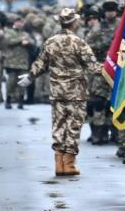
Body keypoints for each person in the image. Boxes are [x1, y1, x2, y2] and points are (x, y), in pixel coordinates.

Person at [21, 9, 98, 176]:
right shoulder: (79, 42)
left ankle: (58, 162)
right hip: (76, 92)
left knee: (58, 125)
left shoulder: (50, 42)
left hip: (57, 91)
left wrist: (30, 76)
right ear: (74, 23)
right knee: (74, 126)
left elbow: (41, 63)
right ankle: (69, 163)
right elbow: (93, 67)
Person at [85, 2, 120, 144]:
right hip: (101, 68)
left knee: (116, 102)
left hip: (118, 68)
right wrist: (103, 45)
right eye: (108, 11)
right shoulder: (98, 28)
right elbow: (87, 47)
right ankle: (99, 134)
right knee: (98, 102)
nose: (110, 13)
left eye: (112, 11)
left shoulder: (121, 25)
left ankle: (117, 134)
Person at [0, 15, 34, 109]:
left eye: (21, 22)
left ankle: (21, 101)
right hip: (11, 61)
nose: (19, 24)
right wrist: (21, 40)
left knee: (23, 82)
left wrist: (28, 43)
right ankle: (8, 100)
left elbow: (33, 43)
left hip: (23, 62)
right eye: (17, 22)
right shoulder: (9, 32)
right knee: (11, 82)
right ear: (14, 23)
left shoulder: (25, 34)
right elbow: (8, 42)